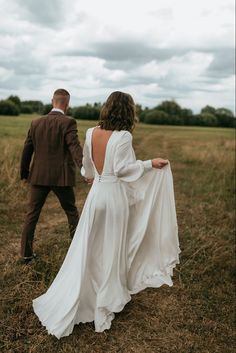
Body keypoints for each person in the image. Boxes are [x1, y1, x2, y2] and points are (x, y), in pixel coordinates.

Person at [33, 91, 181, 338]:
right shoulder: (123, 136)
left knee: (91, 245)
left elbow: (86, 170)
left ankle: (87, 290)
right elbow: (123, 170)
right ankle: (107, 295)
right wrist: (148, 163)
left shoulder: (91, 132)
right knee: (111, 246)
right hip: (113, 199)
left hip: (96, 196)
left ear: (106, 108)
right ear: (127, 111)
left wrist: (93, 176)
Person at [20, 89, 83, 263]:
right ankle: (78, 253)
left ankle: (26, 255)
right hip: (61, 177)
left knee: (31, 214)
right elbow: (75, 147)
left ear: (52, 101)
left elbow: (27, 150)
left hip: (38, 176)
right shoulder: (68, 122)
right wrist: (85, 169)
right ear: (67, 104)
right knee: (71, 212)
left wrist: (24, 174)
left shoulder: (36, 122)